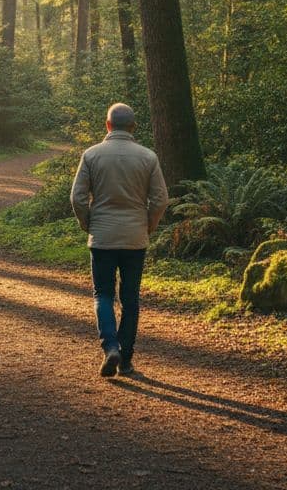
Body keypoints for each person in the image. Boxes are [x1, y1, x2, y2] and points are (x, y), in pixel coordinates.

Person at [70, 103, 169, 377]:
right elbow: (161, 199)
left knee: (102, 294)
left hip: (102, 237)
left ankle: (110, 347)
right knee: (130, 299)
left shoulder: (91, 155)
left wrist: (88, 223)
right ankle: (125, 360)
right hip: (135, 238)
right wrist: (148, 224)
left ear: (108, 125)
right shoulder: (148, 157)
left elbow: (77, 198)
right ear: (133, 127)